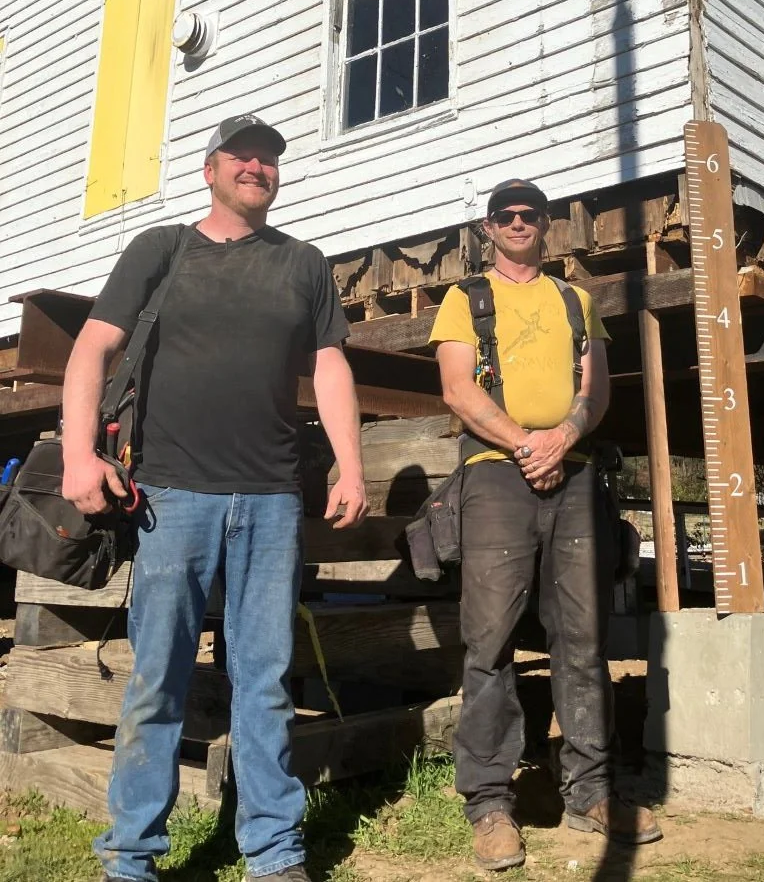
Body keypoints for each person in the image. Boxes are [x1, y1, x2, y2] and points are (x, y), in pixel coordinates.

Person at [61, 114, 367, 882]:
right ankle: (130, 858)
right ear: (209, 168)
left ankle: (273, 850)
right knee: (157, 676)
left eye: (269, 158)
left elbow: (329, 367)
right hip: (171, 497)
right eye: (242, 155)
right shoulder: (160, 249)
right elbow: (93, 345)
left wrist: (352, 466)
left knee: (263, 679)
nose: (257, 166)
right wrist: (76, 453)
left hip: (269, 499)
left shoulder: (304, 263)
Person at [430, 178, 661, 871]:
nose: (521, 222)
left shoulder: (575, 299)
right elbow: (457, 386)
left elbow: (597, 386)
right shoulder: (465, 297)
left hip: (577, 472)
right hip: (497, 474)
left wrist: (564, 433)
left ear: (548, 225)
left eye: (533, 214)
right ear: (490, 226)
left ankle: (592, 790)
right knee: (490, 638)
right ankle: (491, 802)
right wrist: (525, 442)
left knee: (583, 636)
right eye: (508, 214)